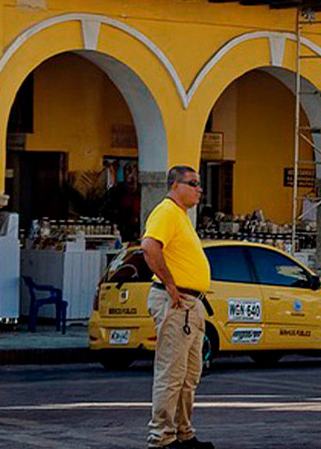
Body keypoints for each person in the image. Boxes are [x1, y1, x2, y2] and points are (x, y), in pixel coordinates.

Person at [142, 166, 212, 449]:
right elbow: (149, 246)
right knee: (172, 374)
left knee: (188, 375)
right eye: (193, 183)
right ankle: (162, 437)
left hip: (190, 303)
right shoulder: (167, 212)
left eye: (199, 184)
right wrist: (170, 285)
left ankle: (182, 432)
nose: (199, 189)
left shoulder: (181, 216)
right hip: (177, 301)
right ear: (175, 185)